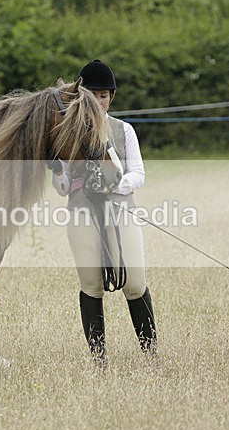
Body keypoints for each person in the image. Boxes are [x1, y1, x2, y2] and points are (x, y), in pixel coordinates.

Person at [52, 59, 157, 365]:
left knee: (135, 283)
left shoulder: (124, 130)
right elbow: (63, 185)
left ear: (111, 97)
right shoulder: (68, 133)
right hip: (82, 214)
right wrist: (59, 172)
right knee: (91, 285)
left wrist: (115, 185)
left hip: (122, 212)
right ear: (81, 96)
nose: (99, 100)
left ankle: (150, 354)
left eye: (104, 95)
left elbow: (138, 172)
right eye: (93, 94)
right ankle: (99, 359)